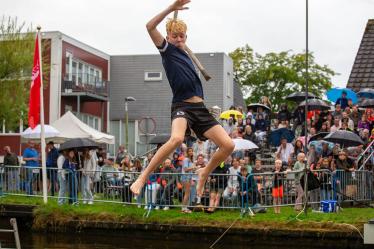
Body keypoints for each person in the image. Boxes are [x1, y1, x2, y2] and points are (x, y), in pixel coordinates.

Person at [130, 0, 235, 200]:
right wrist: (171, 8)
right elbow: (149, 26)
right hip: (182, 106)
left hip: (200, 108)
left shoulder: (185, 54)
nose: (178, 39)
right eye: (174, 36)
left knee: (228, 145)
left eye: (181, 36)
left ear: (186, 37)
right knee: (176, 139)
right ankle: (143, 177)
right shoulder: (166, 51)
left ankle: (204, 172)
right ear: (168, 37)